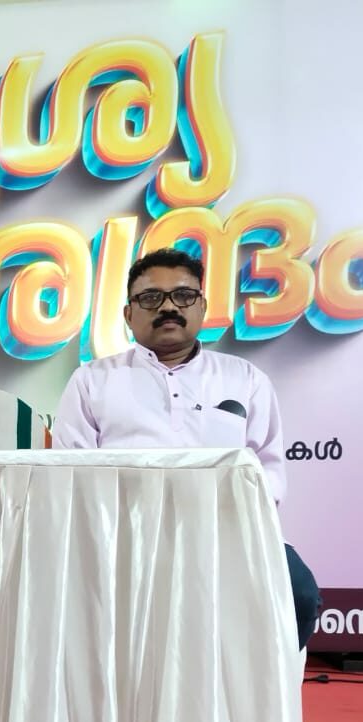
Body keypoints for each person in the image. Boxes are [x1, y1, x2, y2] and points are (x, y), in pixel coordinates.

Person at [52, 248, 320, 649]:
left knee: (298, 593)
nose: (168, 307)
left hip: (227, 530)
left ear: (202, 307)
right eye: (150, 298)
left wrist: (235, 519)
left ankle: (252, 687)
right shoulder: (92, 380)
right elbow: (70, 470)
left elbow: (267, 469)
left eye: (183, 295)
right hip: (123, 535)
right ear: (128, 314)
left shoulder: (244, 379)